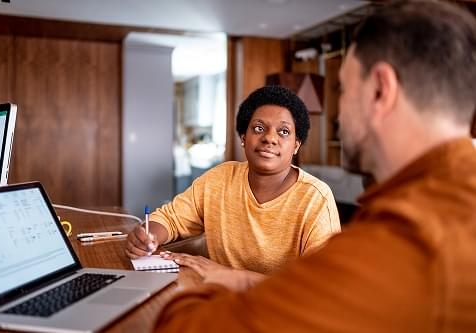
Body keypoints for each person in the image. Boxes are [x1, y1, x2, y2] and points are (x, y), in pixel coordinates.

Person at [153, 1, 476, 332]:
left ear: (380, 91)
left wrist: (203, 279)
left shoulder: (406, 238)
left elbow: (186, 328)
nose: (336, 116)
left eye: (343, 90)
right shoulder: (445, 201)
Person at [126, 85, 340, 283]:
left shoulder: (316, 199)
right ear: (243, 137)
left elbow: (320, 286)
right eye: (258, 128)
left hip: (282, 315)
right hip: (220, 302)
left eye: (283, 131)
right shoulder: (218, 179)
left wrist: (229, 276)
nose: (269, 138)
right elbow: (169, 219)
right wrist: (149, 236)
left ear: (296, 145)